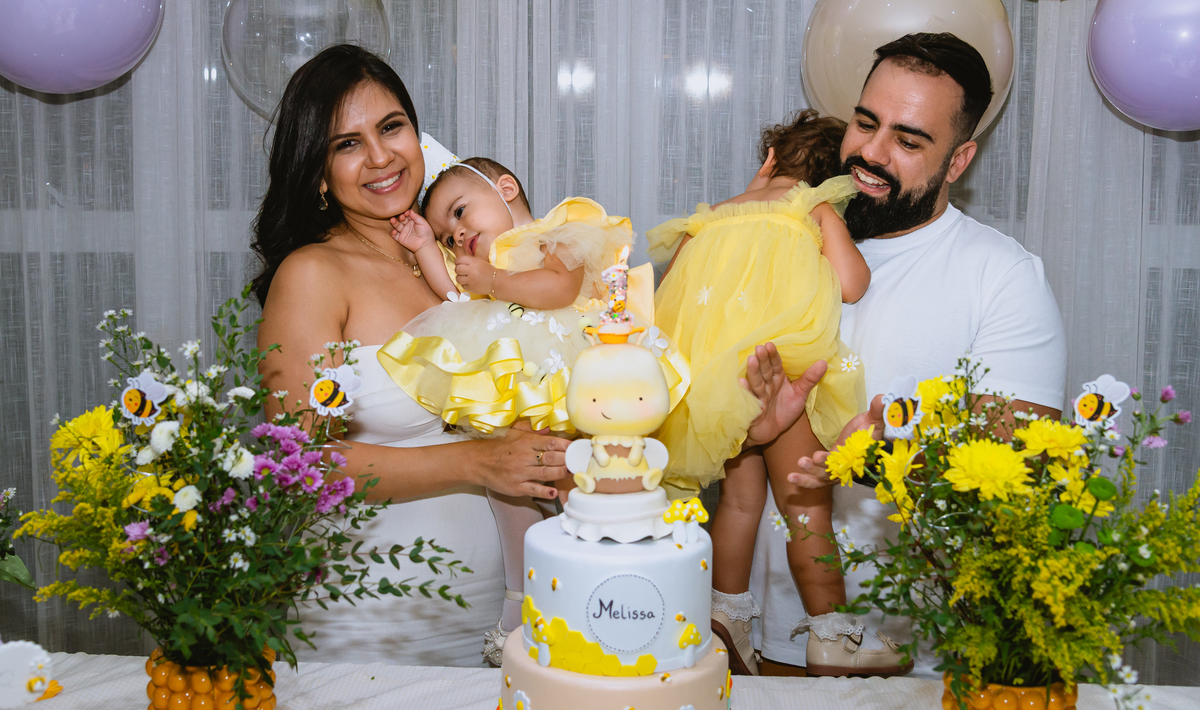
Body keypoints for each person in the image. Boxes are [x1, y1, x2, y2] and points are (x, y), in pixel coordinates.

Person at [745, 32, 1068, 676]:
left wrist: (883, 460)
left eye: (909, 139)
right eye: (866, 122)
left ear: (958, 160)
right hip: (774, 636)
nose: (871, 151)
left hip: (920, 658)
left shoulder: (1001, 277)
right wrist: (746, 426)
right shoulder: (782, 239)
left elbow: (1024, 477)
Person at [251, 44, 570, 666]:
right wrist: (480, 461)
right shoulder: (313, 274)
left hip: (502, 616)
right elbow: (301, 466)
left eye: (391, 127)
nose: (379, 156)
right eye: (346, 143)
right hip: (371, 619)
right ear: (317, 172)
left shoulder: (461, 260)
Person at [648, 110, 907, 678]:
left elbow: (664, 302)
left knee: (739, 504)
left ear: (768, 161)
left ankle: (725, 619)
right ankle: (832, 634)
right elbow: (853, 283)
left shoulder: (708, 218)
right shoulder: (807, 206)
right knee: (805, 508)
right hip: (784, 374)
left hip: (723, 386)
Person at [382, 155, 635, 656]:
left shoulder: (556, 233)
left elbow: (559, 286)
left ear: (506, 187)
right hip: (514, 396)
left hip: (568, 378)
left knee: (575, 485)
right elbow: (453, 295)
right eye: (446, 235)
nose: (457, 235)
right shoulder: (476, 268)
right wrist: (423, 246)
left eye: (459, 213)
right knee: (509, 492)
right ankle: (520, 604)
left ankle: (595, 596)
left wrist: (493, 282)